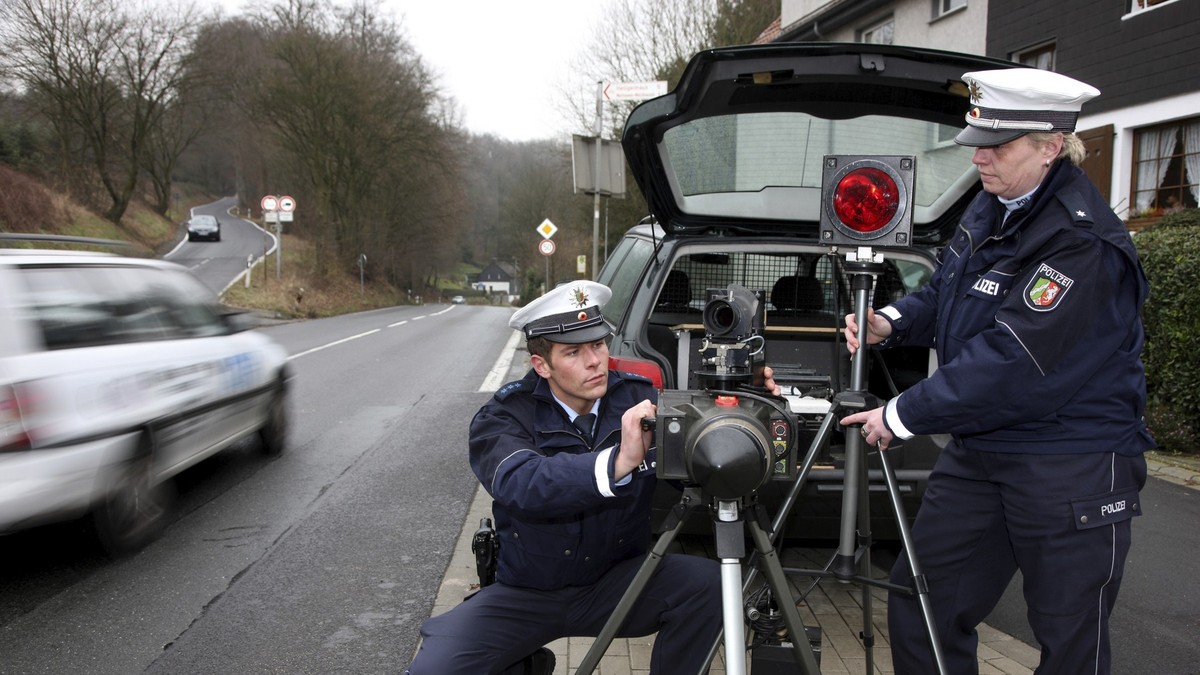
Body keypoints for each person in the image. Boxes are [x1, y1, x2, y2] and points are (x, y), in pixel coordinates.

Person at [839, 69, 1155, 675]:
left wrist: (900, 415)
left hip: (1070, 460)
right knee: (923, 599)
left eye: (999, 146)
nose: (980, 157)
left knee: (1069, 640)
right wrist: (892, 319)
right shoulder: (994, 203)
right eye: (978, 141)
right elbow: (951, 291)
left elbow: (1013, 360)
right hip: (984, 450)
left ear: (1051, 146)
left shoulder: (1079, 242)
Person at [405, 281, 780, 675]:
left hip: (617, 584)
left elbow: (704, 468)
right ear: (542, 365)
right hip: (527, 593)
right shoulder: (503, 416)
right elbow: (523, 483)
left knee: (713, 587)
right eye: (573, 352)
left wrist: (750, 411)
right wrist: (617, 463)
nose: (594, 361)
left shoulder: (642, 401)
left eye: (598, 344)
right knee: (436, 667)